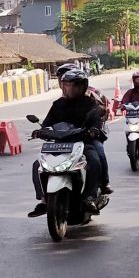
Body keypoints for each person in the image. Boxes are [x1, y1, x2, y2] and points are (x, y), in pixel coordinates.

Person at [28, 67, 107, 218]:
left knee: (94, 160)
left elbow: (96, 121)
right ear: (62, 86)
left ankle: (89, 197)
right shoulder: (57, 104)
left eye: (74, 85)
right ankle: (44, 200)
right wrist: (40, 131)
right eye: (67, 85)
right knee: (37, 165)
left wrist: (93, 130)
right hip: (58, 144)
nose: (70, 89)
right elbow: (47, 124)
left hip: (82, 143)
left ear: (82, 86)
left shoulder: (89, 104)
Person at [55, 61, 111, 192]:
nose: (65, 81)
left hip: (89, 135)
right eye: (62, 78)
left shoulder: (92, 93)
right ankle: (44, 199)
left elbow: (104, 110)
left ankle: (105, 182)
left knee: (99, 152)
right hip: (67, 136)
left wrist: (94, 124)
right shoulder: (62, 97)